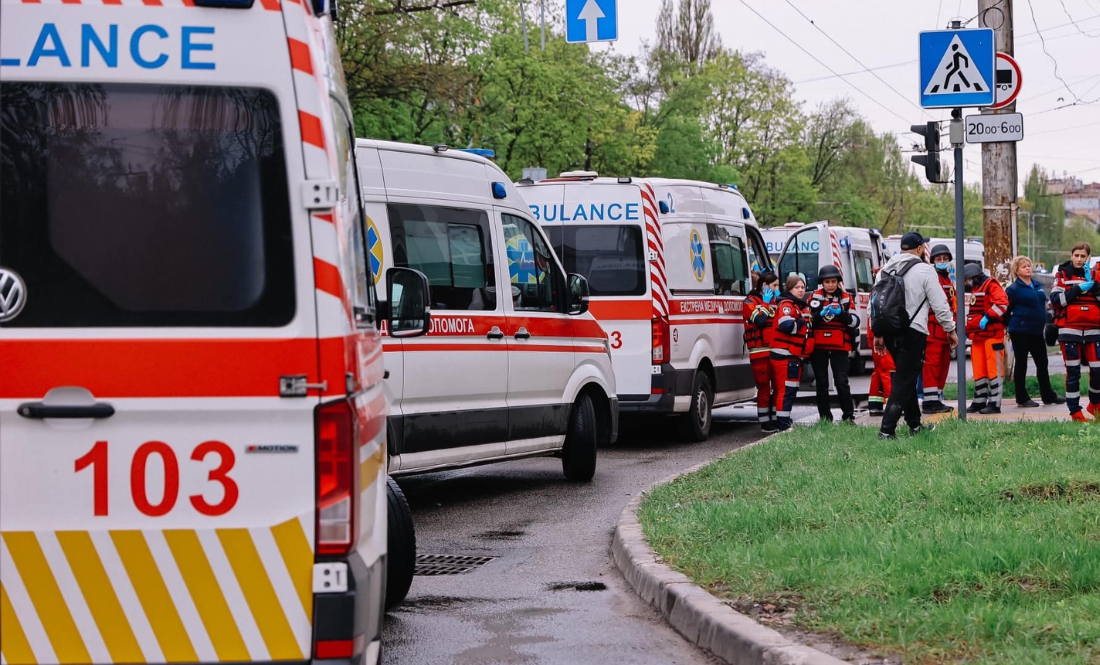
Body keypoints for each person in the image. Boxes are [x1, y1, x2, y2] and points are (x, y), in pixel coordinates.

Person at [873, 232, 958, 440]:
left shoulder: (884, 269)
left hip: (889, 331)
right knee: (904, 380)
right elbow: (940, 304)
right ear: (920, 249)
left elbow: (875, 305)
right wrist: (951, 329)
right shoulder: (925, 270)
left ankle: (915, 425)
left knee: (906, 376)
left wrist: (878, 334)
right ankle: (886, 430)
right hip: (914, 331)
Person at [1050, 242, 1100, 422]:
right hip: (1070, 330)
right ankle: (1075, 412)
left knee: (1098, 371)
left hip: (1094, 331)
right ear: (1071, 256)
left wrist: (1095, 288)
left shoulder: (1096, 275)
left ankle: (1095, 403)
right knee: (1073, 373)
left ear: (1088, 257)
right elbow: (1055, 300)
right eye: (1076, 255)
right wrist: (1077, 289)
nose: (1079, 259)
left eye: (1083, 256)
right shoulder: (1062, 275)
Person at [1005, 256, 1065, 407]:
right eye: (1024, 266)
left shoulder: (1037, 285)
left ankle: (1048, 395)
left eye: (1029, 265)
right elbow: (1006, 310)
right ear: (1016, 270)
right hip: (1020, 330)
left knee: (1042, 362)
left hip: (1037, 331)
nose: (1028, 268)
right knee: (1022, 364)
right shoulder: (1013, 289)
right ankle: (1022, 397)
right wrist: (1007, 326)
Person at [808, 264, 860, 423]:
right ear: (821, 283)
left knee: (841, 381)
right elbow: (809, 322)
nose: (830, 285)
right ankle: (825, 418)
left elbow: (855, 321)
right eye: (827, 282)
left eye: (833, 281)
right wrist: (820, 315)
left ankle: (848, 416)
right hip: (819, 345)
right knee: (821, 382)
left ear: (838, 282)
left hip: (840, 345)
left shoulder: (846, 298)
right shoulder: (814, 297)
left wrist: (842, 314)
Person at [963, 264, 1009, 414]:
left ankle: (995, 403)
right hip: (978, 336)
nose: (966, 282)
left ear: (974, 276)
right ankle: (979, 401)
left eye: (967, 279)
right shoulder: (977, 287)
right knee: (979, 370)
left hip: (992, 335)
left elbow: (1002, 304)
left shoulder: (991, 285)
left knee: (994, 370)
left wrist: (987, 317)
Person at [770, 274, 813, 432]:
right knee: (786, 389)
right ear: (789, 289)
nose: (801, 290)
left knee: (788, 389)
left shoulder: (798, 306)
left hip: (792, 354)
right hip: (784, 355)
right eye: (797, 287)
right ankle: (783, 424)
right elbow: (787, 326)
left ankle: (782, 419)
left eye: (803, 287)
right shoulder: (787, 305)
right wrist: (802, 320)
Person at [920, 244, 957, 414]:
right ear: (933, 261)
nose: (942, 261)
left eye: (945, 258)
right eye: (938, 259)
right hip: (933, 330)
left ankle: (937, 397)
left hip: (945, 331)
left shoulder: (948, 279)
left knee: (943, 365)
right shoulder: (932, 277)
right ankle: (930, 401)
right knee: (932, 365)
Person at [746, 272, 780, 433]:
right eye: (775, 286)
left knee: (778, 387)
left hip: (775, 350)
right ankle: (765, 422)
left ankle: (775, 418)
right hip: (759, 351)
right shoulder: (750, 302)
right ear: (765, 286)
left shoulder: (774, 301)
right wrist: (766, 304)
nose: (777, 289)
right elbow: (759, 321)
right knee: (764, 387)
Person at [866, 325, 894, 416]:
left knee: (879, 370)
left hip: (875, 333)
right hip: (882, 335)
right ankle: (892, 406)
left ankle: (875, 405)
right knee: (889, 369)